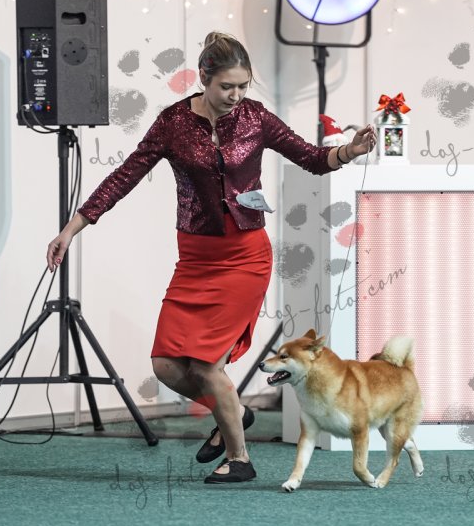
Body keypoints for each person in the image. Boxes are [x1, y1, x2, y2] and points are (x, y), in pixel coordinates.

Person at [46, 31, 376, 483]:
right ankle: (233, 409)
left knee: (205, 365)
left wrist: (349, 151)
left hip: (245, 258)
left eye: (242, 86)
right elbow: (124, 176)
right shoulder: (172, 123)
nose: (236, 96)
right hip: (196, 259)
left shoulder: (256, 118)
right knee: (166, 364)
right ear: (204, 78)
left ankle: (239, 459)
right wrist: (72, 228)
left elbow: (312, 158)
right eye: (227, 87)